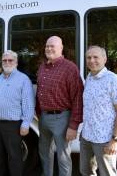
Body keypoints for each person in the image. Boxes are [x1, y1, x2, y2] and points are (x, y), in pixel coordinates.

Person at [36, 36, 84, 176]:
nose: (49, 48)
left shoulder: (70, 68)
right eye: (47, 46)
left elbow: (77, 98)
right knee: (45, 153)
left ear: (61, 48)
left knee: (63, 157)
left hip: (62, 118)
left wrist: (73, 125)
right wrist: (39, 113)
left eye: (52, 46)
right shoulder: (42, 67)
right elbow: (39, 91)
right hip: (44, 118)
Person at [80, 46, 117, 176]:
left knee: (107, 173)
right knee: (86, 171)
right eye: (88, 57)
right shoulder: (89, 77)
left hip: (105, 139)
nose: (91, 60)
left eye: (96, 57)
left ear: (105, 59)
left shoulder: (114, 80)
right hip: (87, 136)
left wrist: (115, 140)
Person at [0, 50, 35, 176]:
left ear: (16, 62)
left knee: (14, 156)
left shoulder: (23, 79)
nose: (7, 62)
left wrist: (26, 123)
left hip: (13, 125)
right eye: (4, 60)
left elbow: (28, 103)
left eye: (10, 60)